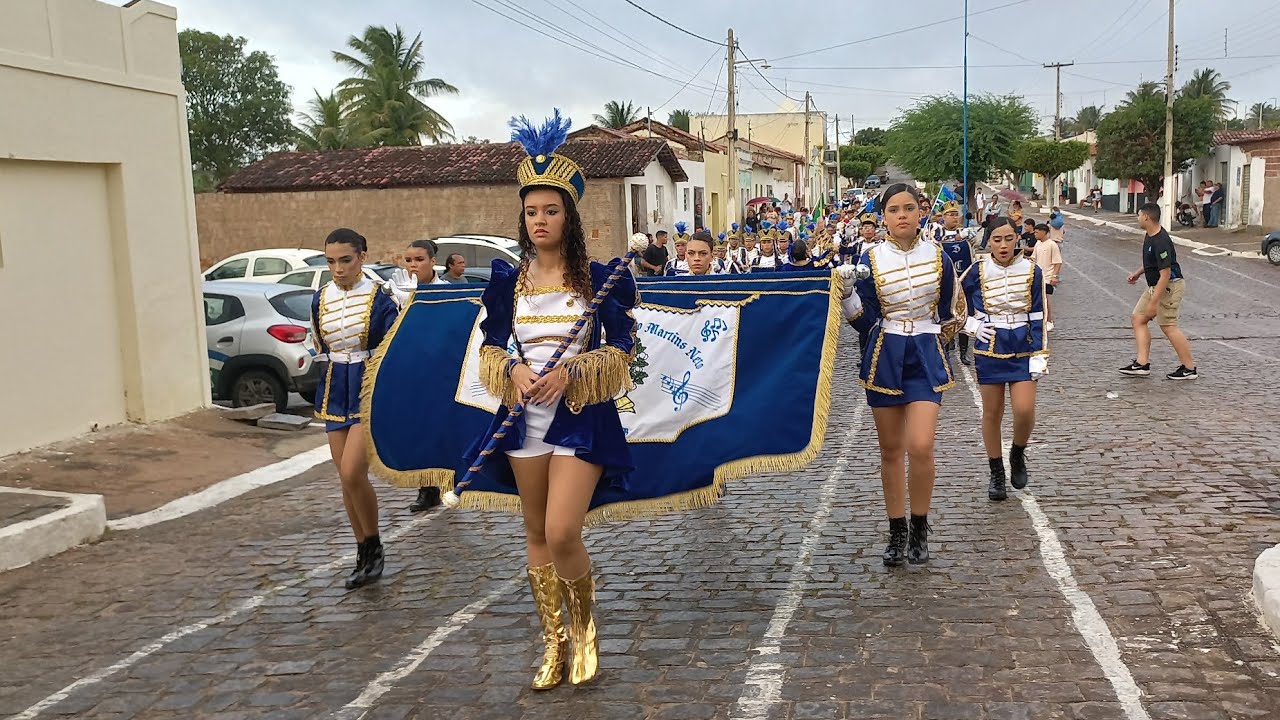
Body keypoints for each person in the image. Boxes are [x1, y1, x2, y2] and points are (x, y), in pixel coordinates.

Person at [470, 111, 641, 689]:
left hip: (579, 422)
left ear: (570, 216)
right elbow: (489, 346)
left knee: (565, 531)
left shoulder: (601, 280)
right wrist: (512, 368)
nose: (540, 219)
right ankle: (554, 641)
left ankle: (587, 632)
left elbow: (624, 352)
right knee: (536, 532)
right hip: (524, 424)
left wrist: (573, 372)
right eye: (531, 211)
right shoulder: (505, 283)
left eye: (551, 210)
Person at [838, 183, 966, 567]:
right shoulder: (870, 258)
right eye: (894, 210)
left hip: (925, 356)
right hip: (885, 356)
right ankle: (896, 531)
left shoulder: (939, 257)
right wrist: (846, 295)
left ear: (921, 211)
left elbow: (949, 309)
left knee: (922, 445)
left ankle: (920, 526)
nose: (902, 215)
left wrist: (961, 327)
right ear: (884, 216)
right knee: (891, 450)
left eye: (909, 208)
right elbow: (865, 320)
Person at [311, 228, 399, 589]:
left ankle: (375, 545)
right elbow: (320, 341)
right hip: (335, 388)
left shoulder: (380, 298)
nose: (337, 269)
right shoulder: (319, 298)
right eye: (331, 261)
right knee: (346, 480)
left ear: (362, 256)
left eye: (345, 260)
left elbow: (390, 348)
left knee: (352, 472)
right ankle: (362, 548)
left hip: (367, 386)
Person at [959, 219, 1048, 501]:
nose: (1003, 245)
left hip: (1024, 345)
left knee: (1024, 410)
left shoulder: (1033, 271)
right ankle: (996, 471)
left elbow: (1039, 314)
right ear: (989, 241)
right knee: (992, 412)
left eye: (1008, 238)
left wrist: (1040, 354)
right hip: (990, 346)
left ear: (1017, 238)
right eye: (997, 239)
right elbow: (953, 301)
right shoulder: (977, 270)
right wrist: (970, 325)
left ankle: (1018, 452)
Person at [386, 239, 450, 513]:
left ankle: (447, 477)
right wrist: (402, 304)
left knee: (441, 427)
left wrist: (419, 302)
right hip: (411, 367)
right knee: (418, 428)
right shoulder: (399, 290)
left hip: (440, 368)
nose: (413, 266)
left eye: (419, 260)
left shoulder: (447, 291)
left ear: (433, 261)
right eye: (408, 260)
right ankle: (427, 488)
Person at [1121, 202, 1197, 380]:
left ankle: (1189, 368)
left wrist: (1154, 303)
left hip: (1169, 286)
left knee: (1168, 325)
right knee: (1138, 318)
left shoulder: (1161, 241)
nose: (1138, 218)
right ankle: (1142, 364)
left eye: (1139, 215)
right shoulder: (1150, 235)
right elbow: (1152, 263)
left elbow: (1165, 274)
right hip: (1155, 285)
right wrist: (1138, 274)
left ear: (1146, 217)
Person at [934, 201, 977, 365]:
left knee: (964, 315)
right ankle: (945, 346)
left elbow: (973, 238)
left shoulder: (965, 232)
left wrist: (963, 235)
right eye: (950, 215)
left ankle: (964, 352)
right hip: (946, 283)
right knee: (946, 315)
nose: (954, 218)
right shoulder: (936, 233)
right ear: (943, 217)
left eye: (955, 214)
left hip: (964, 281)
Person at [1029, 223, 1061, 328]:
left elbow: (1058, 262)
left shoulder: (1052, 245)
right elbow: (1034, 258)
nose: (1035, 234)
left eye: (1037, 232)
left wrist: (1054, 276)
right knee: (1037, 299)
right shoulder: (1038, 244)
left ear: (1044, 232)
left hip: (1047, 276)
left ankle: (1049, 320)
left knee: (1045, 299)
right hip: (1037, 275)